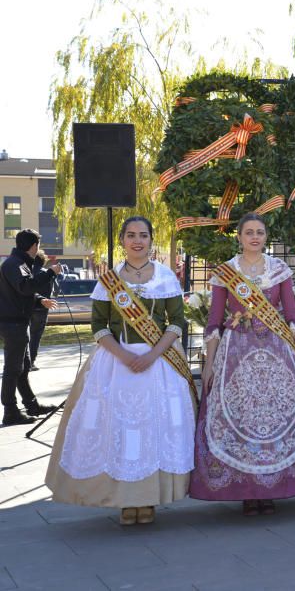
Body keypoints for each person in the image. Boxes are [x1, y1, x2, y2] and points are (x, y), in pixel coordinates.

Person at [46, 217, 196, 525]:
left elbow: (177, 322)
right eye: (131, 235)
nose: (137, 240)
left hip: (160, 363)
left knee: (154, 429)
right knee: (120, 428)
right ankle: (126, 502)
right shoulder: (109, 281)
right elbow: (98, 326)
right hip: (116, 363)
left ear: (151, 240)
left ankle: (149, 500)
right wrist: (124, 355)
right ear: (123, 240)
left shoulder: (165, 278)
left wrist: (153, 354)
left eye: (143, 234)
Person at [189, 214, 295, 515]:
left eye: (260, 232)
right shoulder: (225, 272)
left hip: (276, 352)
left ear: (265, 237)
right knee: (242, 419)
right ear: (239, 237)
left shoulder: (278, 270)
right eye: (249, 232)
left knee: (273, 418)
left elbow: (293, 317)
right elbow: (214, 321)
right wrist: (210, 364)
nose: (255, 237)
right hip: (236, 354)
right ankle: (247, 491)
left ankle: (269, 489)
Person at [0, 229, 60, 426]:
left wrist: (40, 300)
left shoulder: (18, 263)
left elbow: (22, 292)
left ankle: (32, 405)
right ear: (34, 246)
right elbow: (25, 287)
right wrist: (50, 272)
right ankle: (10, 411)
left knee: (23, 368)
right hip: (12, 323)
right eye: (38, 245)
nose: (38, 249)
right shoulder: (14, 264)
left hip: (18, 322)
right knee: (13, 369)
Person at [28, 250, 55, 372]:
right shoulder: (46, 273)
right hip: (42, 309)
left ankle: (23, 362)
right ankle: (31, 362)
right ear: (43, 261)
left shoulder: (26, 273)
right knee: (35, 337)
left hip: (28, 308)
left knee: (25, 336)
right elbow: (53, 291)